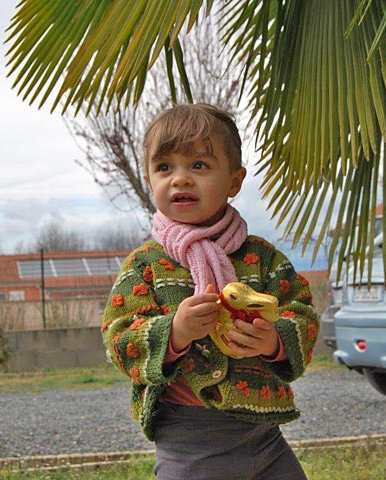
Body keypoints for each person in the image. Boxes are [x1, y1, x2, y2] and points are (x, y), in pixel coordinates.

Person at [101, 103, 319, 480]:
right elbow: (118, 338)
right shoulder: (146, 265)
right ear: (149, 180)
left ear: (234, 181)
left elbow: (302, 315)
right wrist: (175, 331)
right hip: (187, 439)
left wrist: (273, 341)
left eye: (199, 165)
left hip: (264, 437)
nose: (180, 179)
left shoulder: (262, 259)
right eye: (164, 167)